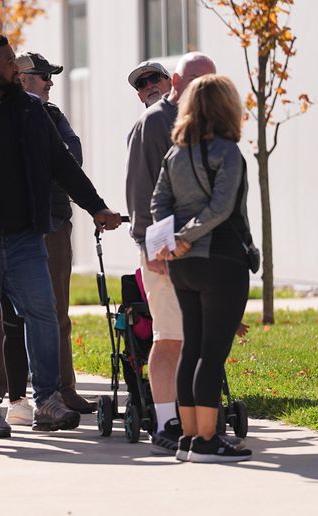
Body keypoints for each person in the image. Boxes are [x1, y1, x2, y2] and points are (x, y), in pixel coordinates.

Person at [0, 33, 122, 438]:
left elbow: (62, 164)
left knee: (44, 314)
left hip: (28, 234)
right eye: (9, 62)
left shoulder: (31, 109)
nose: (16, 67)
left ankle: (47, 400)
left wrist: (95, 206)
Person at [151, 74, 255, 463]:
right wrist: (188, 236)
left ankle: (189, 439)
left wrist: (170, 241)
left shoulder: (175, 152)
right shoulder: (227, 151)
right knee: (212, 353)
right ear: (228, 107)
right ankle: (208, 440)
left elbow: (158, 202)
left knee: (192, 348)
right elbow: (222, 207)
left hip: (183, 266)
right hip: (222, 259)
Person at [0, 51, 93, 426]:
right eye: (42, 75)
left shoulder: (52, 116)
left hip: (53, 223)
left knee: (55, 312)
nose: (50, 82)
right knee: (5, 317)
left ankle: (62, 390)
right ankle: (4, 391)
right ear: (20, 78)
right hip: (7, 229)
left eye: (50, 76)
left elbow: (72, 156)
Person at [125, 52, 216, 455]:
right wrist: (153, 246)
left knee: (200, 340)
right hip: (168, 250)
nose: (206, 88)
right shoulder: (154, 122)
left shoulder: (212, 119)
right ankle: (166, 422)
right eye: (197, 80)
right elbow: (142, 192)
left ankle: (202, 424)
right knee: (170, 339)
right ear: (177, 82)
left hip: (207, 250)